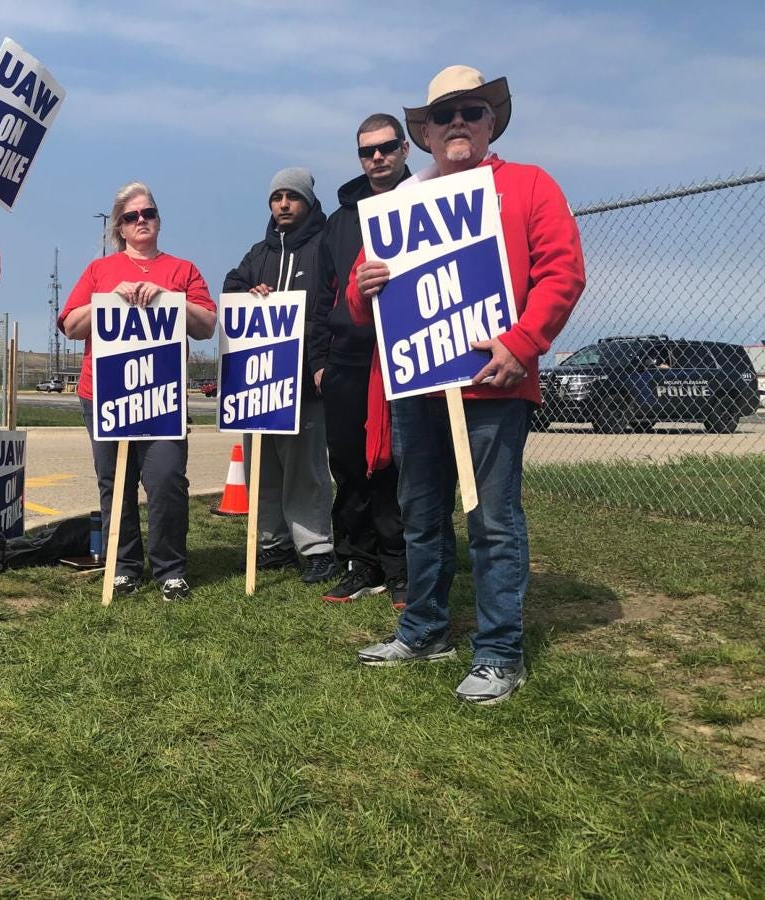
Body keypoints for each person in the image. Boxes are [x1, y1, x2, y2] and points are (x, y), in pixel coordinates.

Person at [353, 66, 586, 704]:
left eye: (473, 111)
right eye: (445, 113)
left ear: (490, 124)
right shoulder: (398, 204)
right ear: (424, 132)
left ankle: (499, 652)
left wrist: (521, 343)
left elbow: (562, 272)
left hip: (494, 386)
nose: (459, 122)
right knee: (421, 518)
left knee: (493, 522)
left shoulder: (529, 185)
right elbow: (358, 299)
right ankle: (424, 629)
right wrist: (362, 287)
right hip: (418, 390)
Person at [59, 182, 217, 601]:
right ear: (120, 228)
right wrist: (107, 301)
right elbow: (72, 325)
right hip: (105, 393)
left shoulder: (182, 270)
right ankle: (125, 566)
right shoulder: (100, 271)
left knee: (166, 479)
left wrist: (170, 298)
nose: (141, 220)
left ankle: (170, 569)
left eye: (148, 213)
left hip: (161, 395)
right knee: (116, 483)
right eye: (131, 217)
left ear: (159, 220)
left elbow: (205, 324)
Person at [308, 113, 413, 608]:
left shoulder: (426, 201)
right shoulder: (339, 221)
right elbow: (321, 296)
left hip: (406, 355)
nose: (377, 158)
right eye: (367, 150)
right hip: (348, 360)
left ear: (405, 149)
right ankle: (359, 562)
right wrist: (321, 361)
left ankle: (403, 569)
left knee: (398, 466)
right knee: (349, 465)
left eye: (387, 147)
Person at [223, 167, 335, 584]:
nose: (283, 204)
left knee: (305, 470)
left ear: (307, 200)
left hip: (305, 382)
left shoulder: (325, 244)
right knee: (262, 467)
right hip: (258, 384)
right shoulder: (259, 254)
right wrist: (248, 294)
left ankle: (317, 547)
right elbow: (231, 288)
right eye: (277, 197)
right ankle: (273, 544)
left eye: (292, 196)